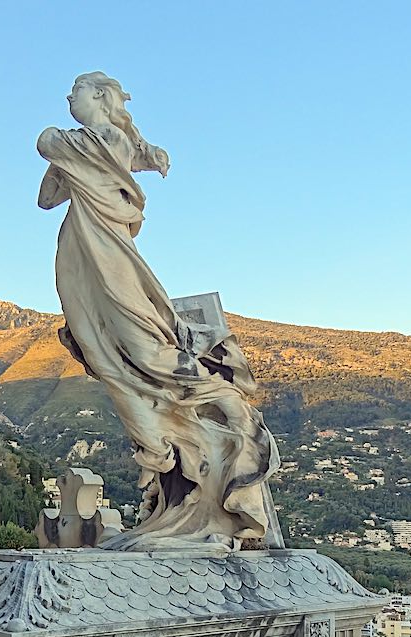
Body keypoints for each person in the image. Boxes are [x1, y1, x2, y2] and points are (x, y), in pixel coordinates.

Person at [37, 72, 281, 551]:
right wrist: (132, 158)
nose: (69, 97)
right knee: (107, 356)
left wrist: (106, 158)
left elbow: (49, 144)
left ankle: (220, 407)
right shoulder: (92, 145)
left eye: (78, 90)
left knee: (142, 352)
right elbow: (47, 198)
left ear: (101, 97)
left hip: (109, 261)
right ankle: (171, 443)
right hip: (81, 258)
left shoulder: (100, 140)